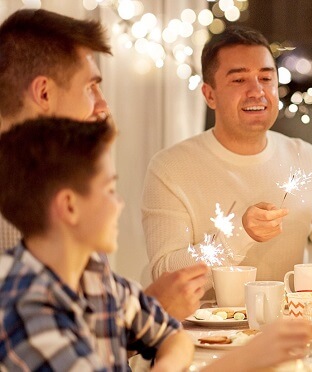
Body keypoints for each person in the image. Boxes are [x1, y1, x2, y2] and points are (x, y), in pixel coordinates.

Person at [0, 118, 312, 371]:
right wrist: (244, 360)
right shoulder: (29, 311)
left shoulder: (88, 274)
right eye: (109, 190)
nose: (120, 204)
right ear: (69, 206)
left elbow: (170, 333)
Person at [0, 8, 207, 320]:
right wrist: (154, 310)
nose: (103, 104)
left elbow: (92, 319)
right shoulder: (22, 202)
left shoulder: (65, 175)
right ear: (43, 93)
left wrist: (144, 311)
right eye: (89, 87)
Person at [142, 26, 312, 287]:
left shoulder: (305, 159)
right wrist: (240, 234)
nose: (257, 91)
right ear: (209, 95)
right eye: (239, 80)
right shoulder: (171, 168)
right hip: (199, 326)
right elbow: (164, 275)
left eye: (266, 79)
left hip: (288, 324)